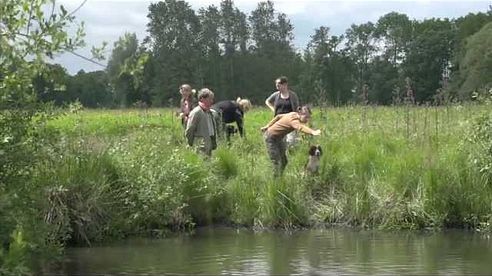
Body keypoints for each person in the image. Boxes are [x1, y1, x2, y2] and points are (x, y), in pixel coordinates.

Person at [261, 105, 321, 176]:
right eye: (306, 117)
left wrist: (267, 126)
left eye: (309, 117)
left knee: (284, 161)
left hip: (279, 138)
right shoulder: (294, 121)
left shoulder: (293, 114)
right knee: (276, 162)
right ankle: (276, 181)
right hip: (271, 138)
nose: (307, 120)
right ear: (300, 113)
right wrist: (312, 132)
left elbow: (278, 116)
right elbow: (300, 128)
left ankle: (280, 176)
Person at [265, 76, 301, 146]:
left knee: (291, 141)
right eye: (276, 86)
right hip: (278, 121)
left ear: (285, 85)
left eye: (278, 86)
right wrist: (273, 108)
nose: (277, 87)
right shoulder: (276, 95)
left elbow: (297, 108)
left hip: (290, 121)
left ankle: (292, 152)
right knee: (280, 140)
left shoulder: (293, 95)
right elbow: (267, 101)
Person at [185, 88, 217, 157]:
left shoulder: (210, 112)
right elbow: (190, 130)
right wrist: (191, 143)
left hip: (209, 144)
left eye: (212, 99)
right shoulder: (196, 112)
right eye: (209, 99)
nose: (212, 101)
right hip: (199, 146)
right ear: (202, 99)